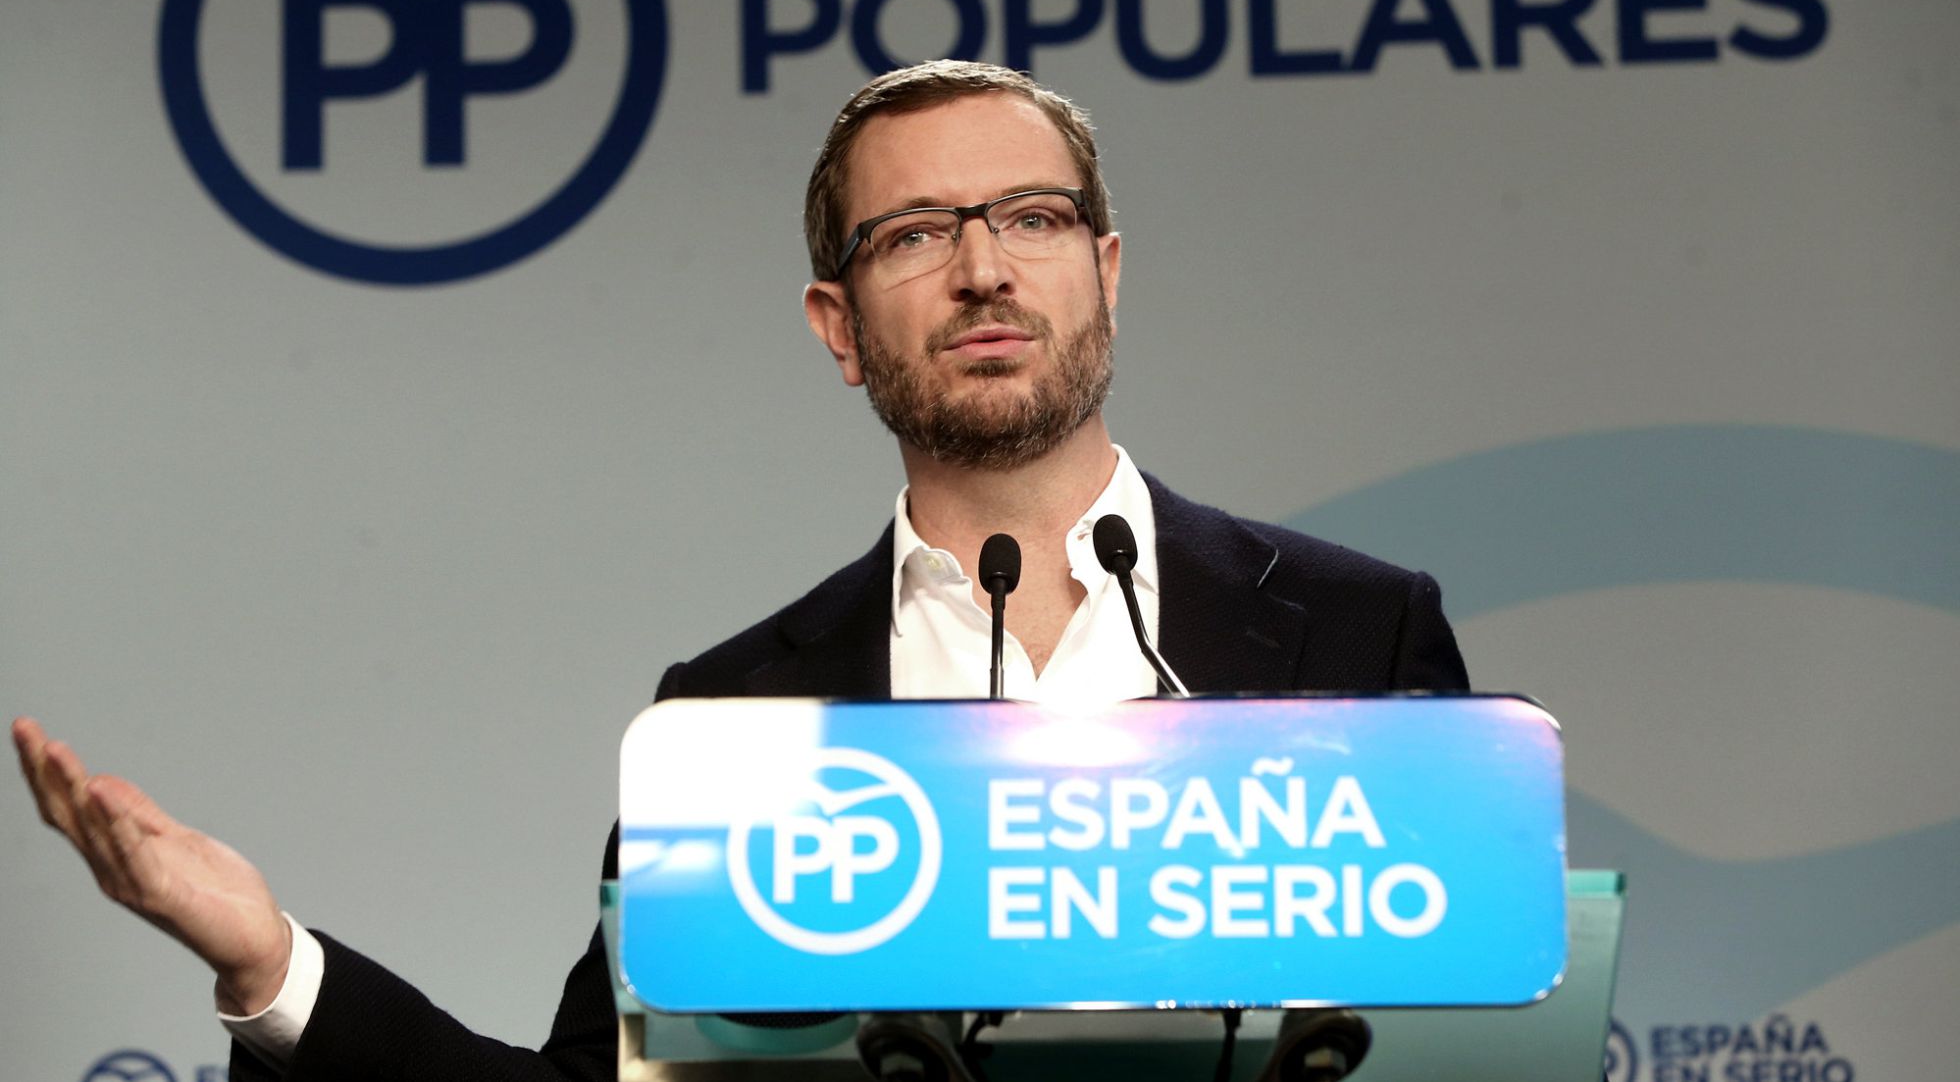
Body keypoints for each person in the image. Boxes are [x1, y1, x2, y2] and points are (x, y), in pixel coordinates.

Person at [14, 60, 1467, 1080]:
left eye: (1030, 218)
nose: (983, 268)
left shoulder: (1356, 629)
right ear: (838, 325)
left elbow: (1485, 1034)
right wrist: (275, 966)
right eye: (915, 233)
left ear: (1105, 269)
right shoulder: (733, 725)